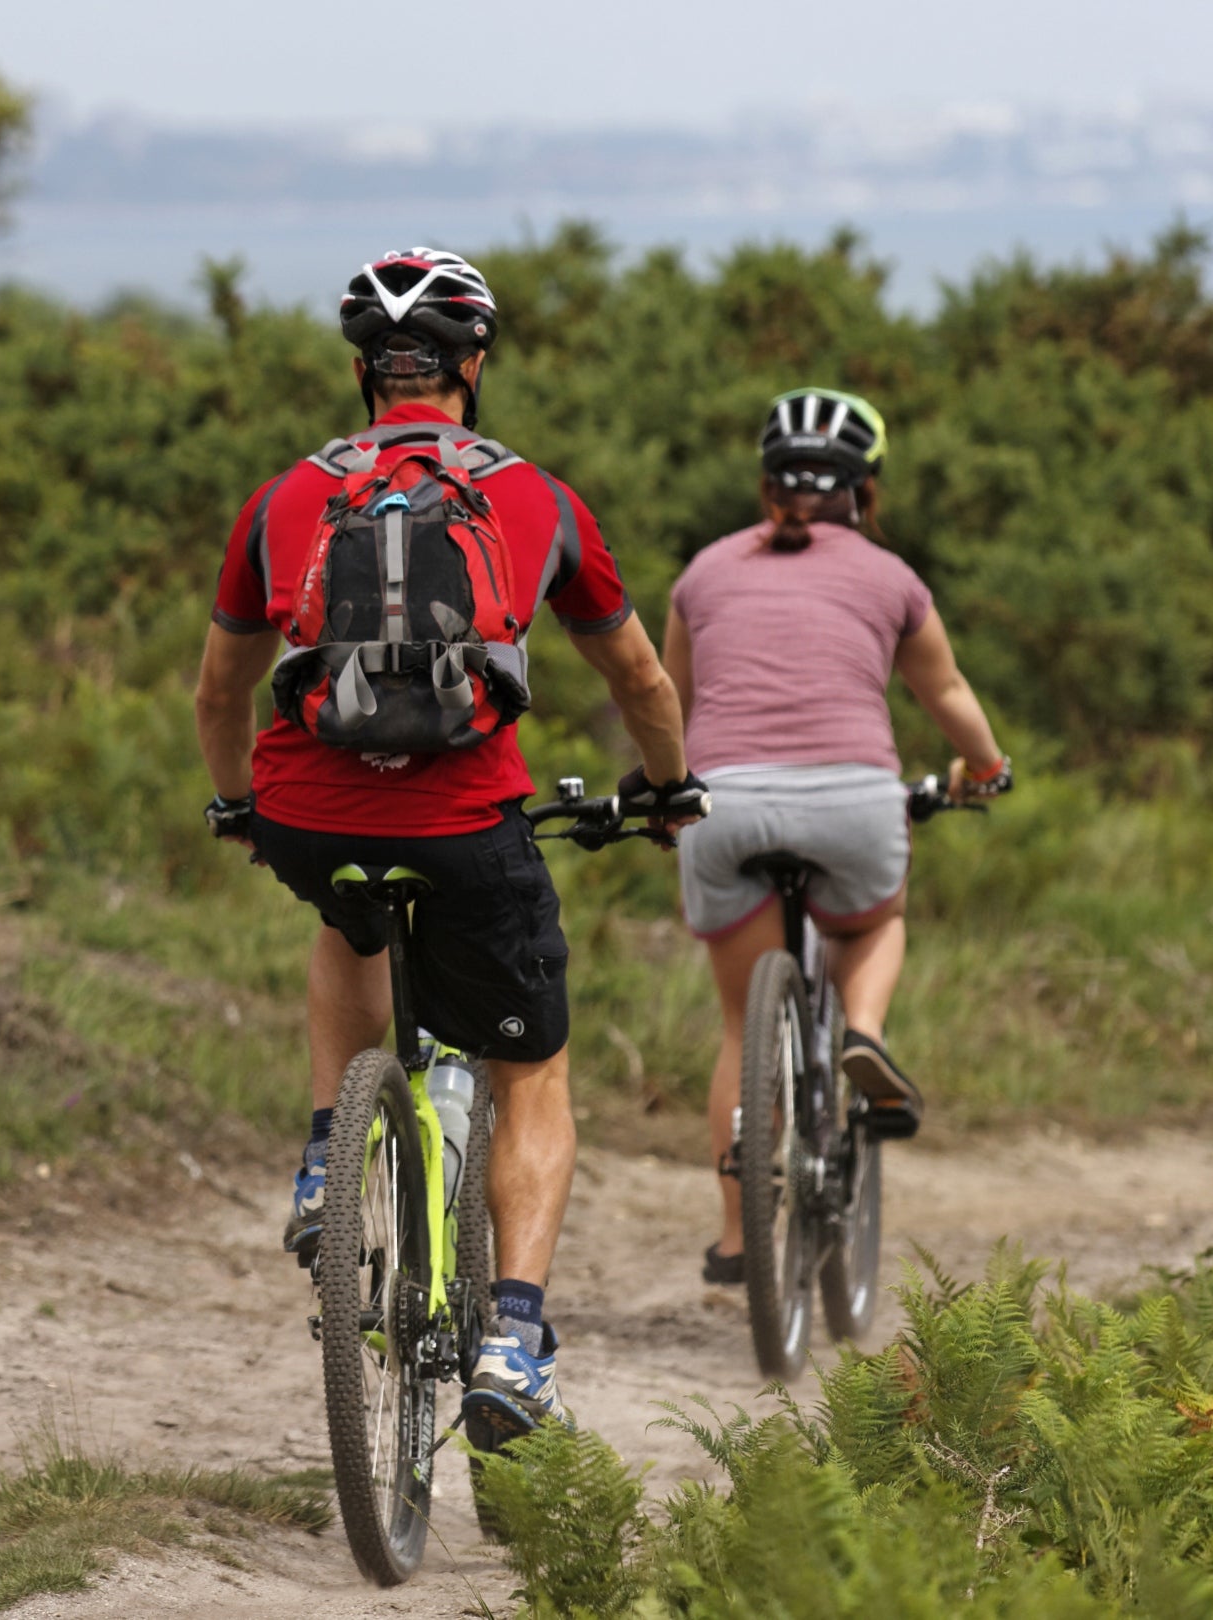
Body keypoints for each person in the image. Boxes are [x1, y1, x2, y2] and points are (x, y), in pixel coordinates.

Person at [192, 248, 702, 1450]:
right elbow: (637, 676)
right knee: (532, 1071)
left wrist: (240, 807)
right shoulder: (536, 495)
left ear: (367, 371)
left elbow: (220, 695)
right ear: (474, 366)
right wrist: (668, 787)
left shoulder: (282, 497)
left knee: (344, 912)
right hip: (470, 823)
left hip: (312, 807)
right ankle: (515, 1339)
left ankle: (328, 1159)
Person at [663, 387, 1010, 1286]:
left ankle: (741, 1242)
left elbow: (670, 704)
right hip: (854, 800)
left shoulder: (704, 570)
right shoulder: (892, 578)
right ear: (867, 490)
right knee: (874, 923)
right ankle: (862, 1028)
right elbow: (948, 695)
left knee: (743, 1027)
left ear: (766, 483)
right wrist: (986, 766)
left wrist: (664, 795)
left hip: (722, 802)